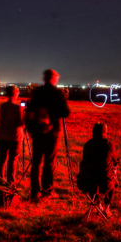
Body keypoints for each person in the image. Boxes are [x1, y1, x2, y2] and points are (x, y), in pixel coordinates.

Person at [25, 69, 70, 202]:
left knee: (36, 161)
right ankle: (47, 190)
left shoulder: (37, 92)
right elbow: (66, 112)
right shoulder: (57, 93)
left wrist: (31, 128)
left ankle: (34, 192)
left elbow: (30, 110)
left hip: (37, 131)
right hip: (53, 132)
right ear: (54, 79)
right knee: (49, 162)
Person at [77, 122, 118, 216]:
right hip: (104, 183)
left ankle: (97, 204)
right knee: (113, 176)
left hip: (85, 183)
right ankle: (106, 208)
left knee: (93, 175)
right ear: (105, 133)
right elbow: (115, 161)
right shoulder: (109, 145)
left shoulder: (88, 145)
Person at [0, 85, 24, 183]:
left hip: (2, 136)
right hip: (14, 137)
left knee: (1, 159)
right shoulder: (18, 108)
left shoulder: (1, 106)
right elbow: (21, 123)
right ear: (15, 93)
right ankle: (10, 182)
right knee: (12, 160)